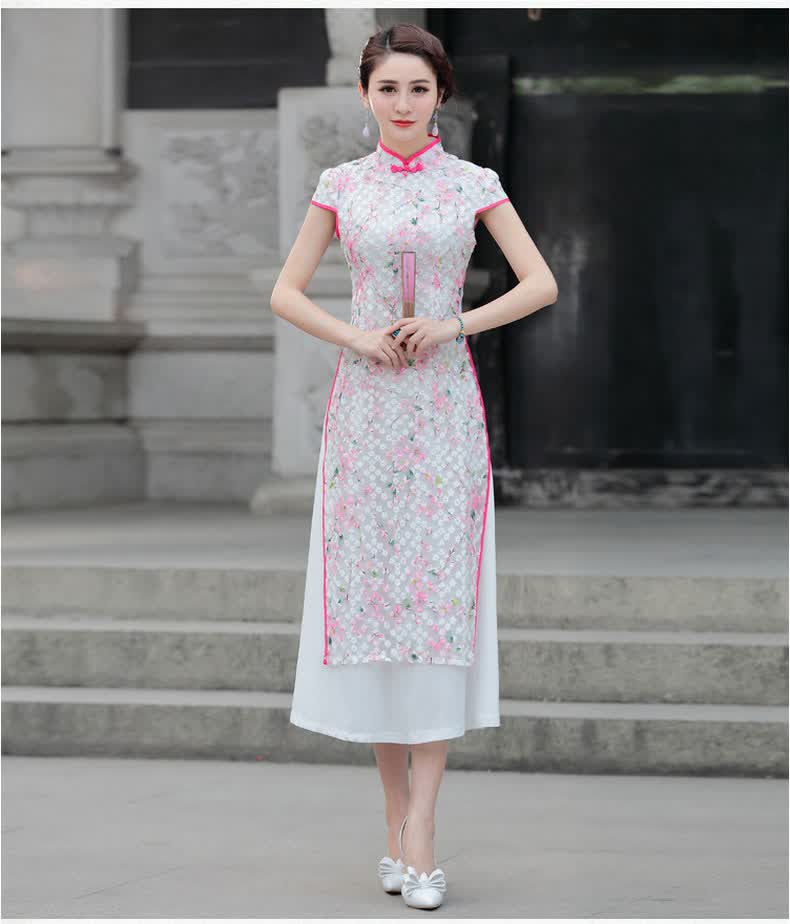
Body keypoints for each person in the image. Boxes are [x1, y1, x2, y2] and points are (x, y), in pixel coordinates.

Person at [271, 22, 558, 911]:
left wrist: (450, 325)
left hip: (441, 417)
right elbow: (285, 292)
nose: (403, 103)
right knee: (369, 609)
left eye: (419, 89)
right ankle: (394, 821)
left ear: (442, 97)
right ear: (365, 95)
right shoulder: (340, 184)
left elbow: (540, 282)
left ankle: (423, 831)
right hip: (363, 417)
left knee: (435, 609)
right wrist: (358, 337)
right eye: (388, 88)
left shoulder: (473, 184)